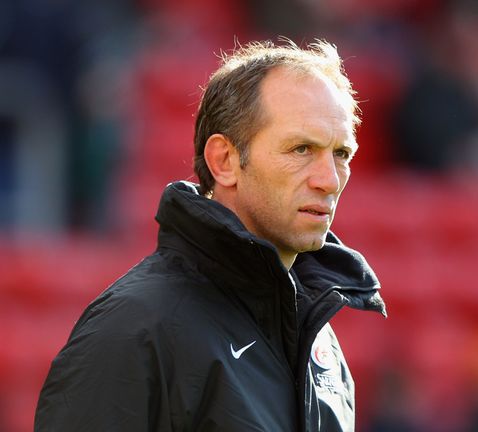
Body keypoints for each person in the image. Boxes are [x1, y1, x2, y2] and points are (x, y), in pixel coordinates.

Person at [34, 39, 386, 432]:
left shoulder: (319, 340)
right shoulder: (135, 328)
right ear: (224, 161)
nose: (329, 180)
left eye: (341, 153)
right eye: (301, 148)